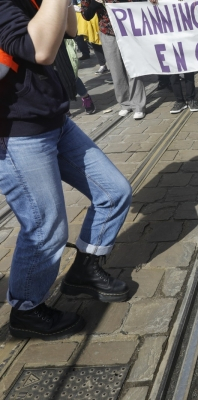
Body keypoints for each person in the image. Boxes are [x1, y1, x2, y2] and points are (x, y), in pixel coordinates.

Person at [0, 0, 132, 340]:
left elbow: (70, 29)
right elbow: (41, 50)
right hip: (17, 133)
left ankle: (85, 270)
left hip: (53, 120)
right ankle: (26, 310)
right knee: (46, 228)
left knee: (114, 192)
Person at [81, 0, 147, 119]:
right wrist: (96, 3)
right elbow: (86, 15)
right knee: (116, 70)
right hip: (107, 32)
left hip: (128, 28)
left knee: (133, 68)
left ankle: (138, 105)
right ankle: (125, 104)